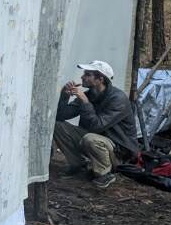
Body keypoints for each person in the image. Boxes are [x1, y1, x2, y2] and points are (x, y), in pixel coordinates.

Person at [54, 60, 138, 189]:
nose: (82, 77)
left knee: (90, 138)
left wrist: (86, 103)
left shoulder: (118, 99)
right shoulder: (89, 94)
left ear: (100, 79)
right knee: (57, 125)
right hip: (97, 140)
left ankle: (105, 173)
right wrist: (64, 96)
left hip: (119, 150)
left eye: (88, 74)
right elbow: (61, 116)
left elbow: (97, 126)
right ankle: (79, 164)